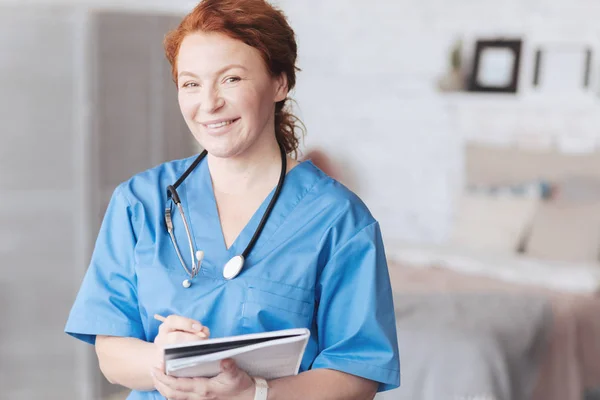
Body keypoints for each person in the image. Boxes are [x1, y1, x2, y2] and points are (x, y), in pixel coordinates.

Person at [64, 0, 400, 399]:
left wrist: (254, 394)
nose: (208, 104)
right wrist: (161, 359)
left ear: (280, 82)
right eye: (191, 83)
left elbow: (357, 374)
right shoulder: (140, 202)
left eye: (231, 79)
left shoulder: (337, 220)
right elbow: (111, 352)